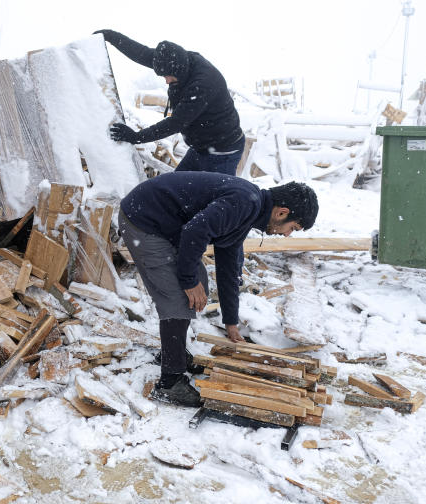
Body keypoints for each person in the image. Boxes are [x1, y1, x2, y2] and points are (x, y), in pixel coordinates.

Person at [119, 172, 318, 406]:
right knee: (178, 295)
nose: (287, 234)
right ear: (281, 213)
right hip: (143, 220)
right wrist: (187, 281)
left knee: (198, 279)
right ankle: (170, 382)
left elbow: (228, 265)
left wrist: (231, 321)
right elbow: (194, 231)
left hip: (163, 222)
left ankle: (175, 352)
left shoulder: (249, 209)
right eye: (291, 228)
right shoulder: (244, 203)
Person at [95, 29, 245, 174]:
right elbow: (141, 53)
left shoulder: (202, 84)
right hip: (200, 148)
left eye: (169, 76)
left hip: (223, 151)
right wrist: (110, 36)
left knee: (216, 195)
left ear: (179, 70)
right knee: (177, 191)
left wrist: (136, 137)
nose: (166, 81)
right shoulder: (175, 60)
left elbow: (176, 123)